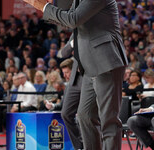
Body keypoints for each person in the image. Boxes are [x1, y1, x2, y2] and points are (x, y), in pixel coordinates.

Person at [23, 0, 128, 149]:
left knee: (108, 120)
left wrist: (43, 6)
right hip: (88, 65)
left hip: (106, 62)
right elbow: (67, 19)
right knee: (85, 116)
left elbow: (72, 20)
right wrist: (48, 6)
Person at [46, 57, 83, 149]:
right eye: (63, 73)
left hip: (85, 113)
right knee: (65, 115)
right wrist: (53, 106)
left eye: (67, 72)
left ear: (74, 71)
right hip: (75, 115)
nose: (65, 75)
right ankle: (79, 146)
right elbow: (63, 104)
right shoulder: (69, 86)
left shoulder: (82, 82)